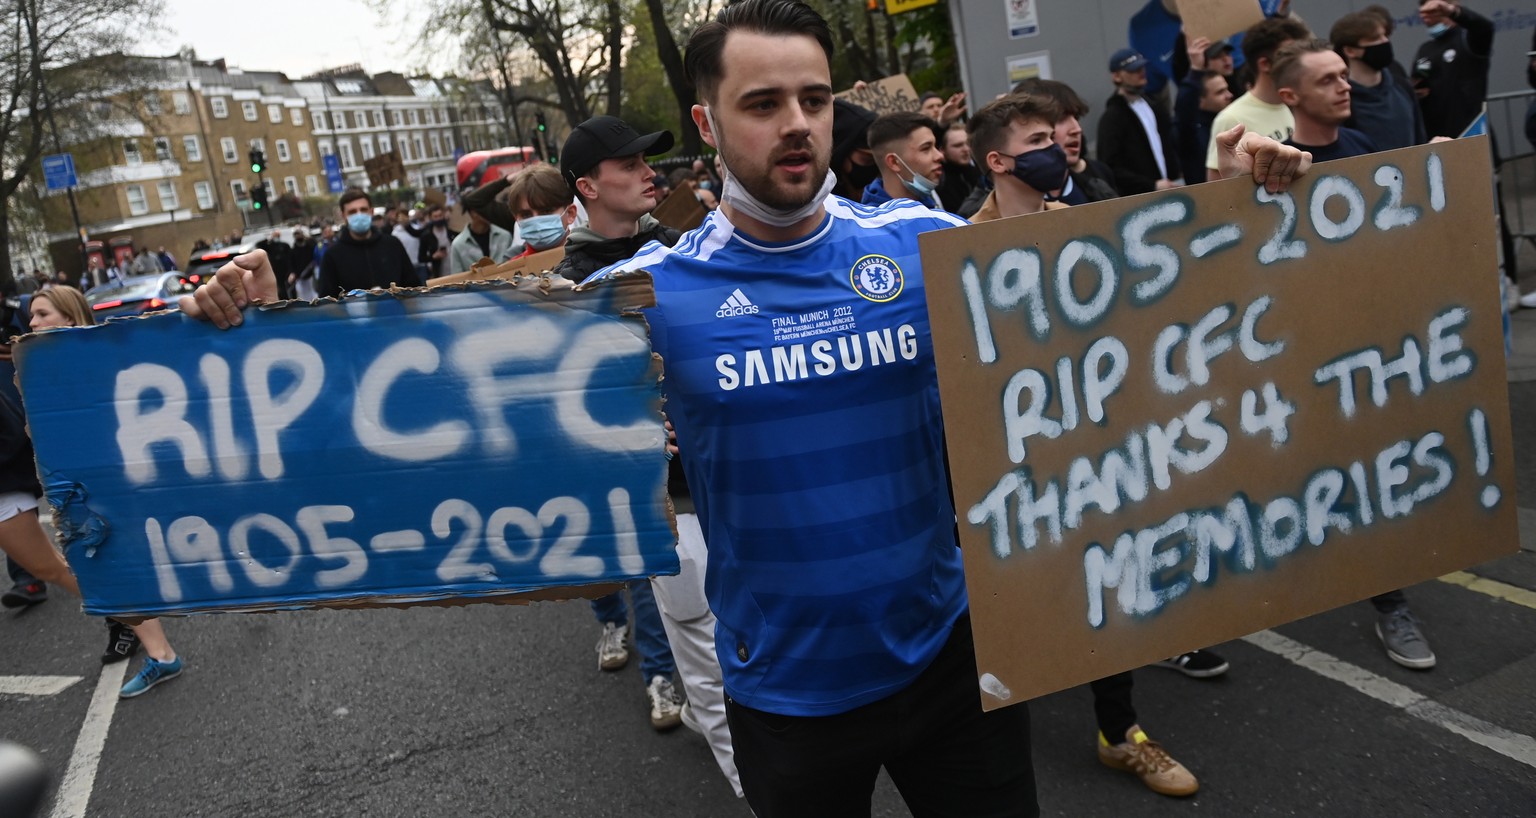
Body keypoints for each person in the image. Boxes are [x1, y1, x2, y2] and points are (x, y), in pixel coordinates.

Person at [181, 3, 1309, 812]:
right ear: (708, 121)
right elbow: (427, 383)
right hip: (784, 690)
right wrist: (264, 324)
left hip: (954, 666)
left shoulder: (920, 245)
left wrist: (1235, 194)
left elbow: (1113, 292)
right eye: (762, 102)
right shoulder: (645, 292)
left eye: (814, 100)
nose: (797, 124)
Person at [1273, 38, 1437, 669]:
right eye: (1327, 80)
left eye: (1345, 75)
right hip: (1299, 356)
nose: (1345, 86)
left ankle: (1389, 601)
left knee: (1373, 469)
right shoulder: (1277, 165)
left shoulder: (1365, 151)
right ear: (1291, 97)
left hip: (1369, 351)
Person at [8, 286, 185, 695]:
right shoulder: (41, 366)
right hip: (80, 488)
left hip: (105, 484)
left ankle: (157, 648)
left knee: (109, 565)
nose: (31, 323)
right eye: (30, 316)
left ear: (69, 318)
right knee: (103, 565)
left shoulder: (91, 361)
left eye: (41, 314)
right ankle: (152, 644)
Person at [551, 115, 682, 284]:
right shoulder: (569, 285)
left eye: (645, 160)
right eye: (630, 166)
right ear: (588, 188)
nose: (651, 173)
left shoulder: (678, 247)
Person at [1206, 15, 1311, 180]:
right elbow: (1217, 188)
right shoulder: (1231, 118)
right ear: (1265, 64)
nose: (1302, 63)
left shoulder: (1299, 106)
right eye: (1290, 55)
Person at [1331, 11, 1425, 152]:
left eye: (1385, 36)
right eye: (1375, 38)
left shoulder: (1402, 86)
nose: (1385, 42)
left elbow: (1421, 140)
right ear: (1350, 51)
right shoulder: (1341, 98)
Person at [1097, 48, 1183, 195]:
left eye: (1142, 67)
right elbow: (1109, 166)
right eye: (1133, 70)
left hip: (1171, 187)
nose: (1141, 72)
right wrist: (1151, 185)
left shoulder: (1153, 106)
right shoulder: (1112, 118)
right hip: (1141, 199)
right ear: (1117, 76)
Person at [316, 188, 420, 298]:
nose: (359, 215)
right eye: (352, 212)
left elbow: (413, 287)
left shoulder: (392, 244)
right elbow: (327, 301)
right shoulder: (333, 256)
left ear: (371, 212)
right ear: (344, 216)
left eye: (363, 209)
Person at [1412, 0, 1494, 138]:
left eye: (1432, 11)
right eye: (1423, 11)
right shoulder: (1426, 49)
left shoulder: (1467, 39)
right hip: (1437, 135)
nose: (1426, 16)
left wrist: (1454, 12)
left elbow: (1485, 28)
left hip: (1470, 131)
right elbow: (1418, 78)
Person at [1176, 38, 1236, 185]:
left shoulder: (1231, 120)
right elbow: (1184, 112)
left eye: (1227, 89)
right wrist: (1196, 69)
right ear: (1200, 100)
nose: (1229, 96)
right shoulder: (1192, 133)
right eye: (1220, 92)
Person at [861, 110, 945, 208]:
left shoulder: (932, 206)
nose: (939, 156)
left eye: (935, 147)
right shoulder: (875, 222)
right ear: (894, 162)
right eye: (926, 148)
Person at [504, 164, 578, 259]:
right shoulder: (512, 270)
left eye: (546, 211)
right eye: (526, 215)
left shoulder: (595, 258)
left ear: (570, 213)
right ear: (517, 220)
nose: (536, 223)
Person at [935, 122, 982, 213]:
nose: (966, 149)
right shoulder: (940, 178)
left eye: (968, 143)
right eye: (958, 145)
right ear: (942, 150)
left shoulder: (978, 172)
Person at [416, 204, 456, 280]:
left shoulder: (451, 230)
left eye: (440, 215)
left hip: (455, 270)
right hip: (439, 274)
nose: (438, 219)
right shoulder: (426, 235)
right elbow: (421, 258)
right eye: (435, 217)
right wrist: (433, 257)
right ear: (431, 218)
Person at [256, 231, 293, 300]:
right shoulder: (270, 246)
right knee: (278, 287)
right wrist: (268, 239)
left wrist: (291, 271)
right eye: (275, 236)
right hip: (274, 271)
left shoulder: (284, 245)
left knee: (286, 288)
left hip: (284, 271)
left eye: (277, 235)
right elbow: (258, 245)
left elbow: (290, 258)